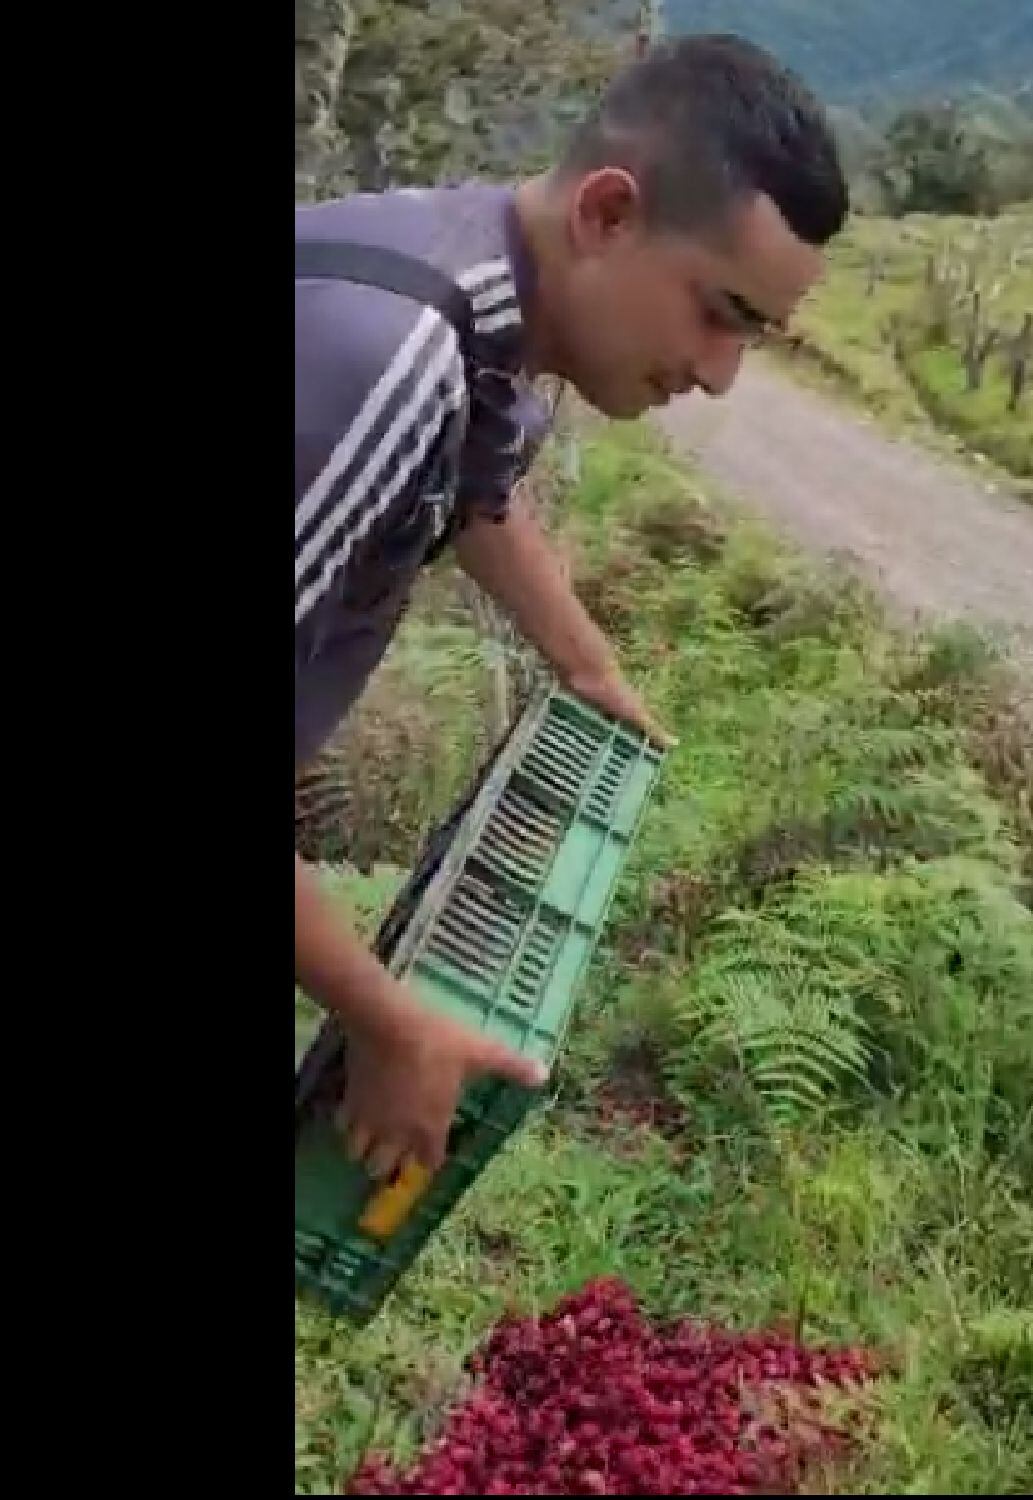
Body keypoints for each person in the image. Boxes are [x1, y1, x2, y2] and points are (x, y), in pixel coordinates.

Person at [295, 33, 849, 1183]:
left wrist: (588, 669)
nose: (718, 373)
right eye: (719, 313)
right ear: (607, 213)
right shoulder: (387, 359)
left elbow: (478, 492)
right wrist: (391, 1026)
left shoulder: (478, 295)